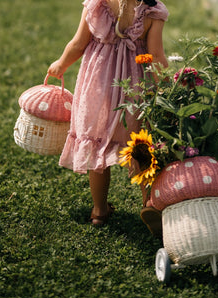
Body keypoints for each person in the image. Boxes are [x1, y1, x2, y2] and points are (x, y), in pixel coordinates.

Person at [47, 0, 168, 233]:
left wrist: (61, 64)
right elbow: (156, 56)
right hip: (134, 89)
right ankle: (150, 204)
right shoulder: (152, 12)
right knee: (140, 145)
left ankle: (99, 210)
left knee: (97, 144)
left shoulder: (97, 4)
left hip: (99, 86)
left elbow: (78, 44)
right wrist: (167, 87)